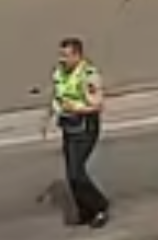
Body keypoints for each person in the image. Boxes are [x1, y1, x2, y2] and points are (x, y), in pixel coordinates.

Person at [43, 37, 110, 228]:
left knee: (76, 173)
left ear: (78, 55)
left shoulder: (89, 75)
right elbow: (57, 97)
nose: (62, 59)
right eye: (61, 55)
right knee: (71, 174)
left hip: (85, 126)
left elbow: (97, 106)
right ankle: (84, 211)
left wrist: (75, 108)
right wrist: (47, 118)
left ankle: (99, 206)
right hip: (68, 126)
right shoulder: (60, 73)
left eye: (66, 55)